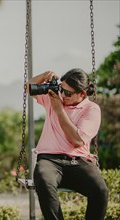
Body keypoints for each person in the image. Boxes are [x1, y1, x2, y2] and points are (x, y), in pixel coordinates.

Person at [27, 68, 109, 220]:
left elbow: (77, 141)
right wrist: (45, 76)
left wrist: (59, 110)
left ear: (82, 93)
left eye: (68, 93)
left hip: (79, 161)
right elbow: (28, 87)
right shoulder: (54, 97)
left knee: (101, 191)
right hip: (49, 160)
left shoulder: (91, 109)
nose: (63, 96)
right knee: (43, 179)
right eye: (61, 90)